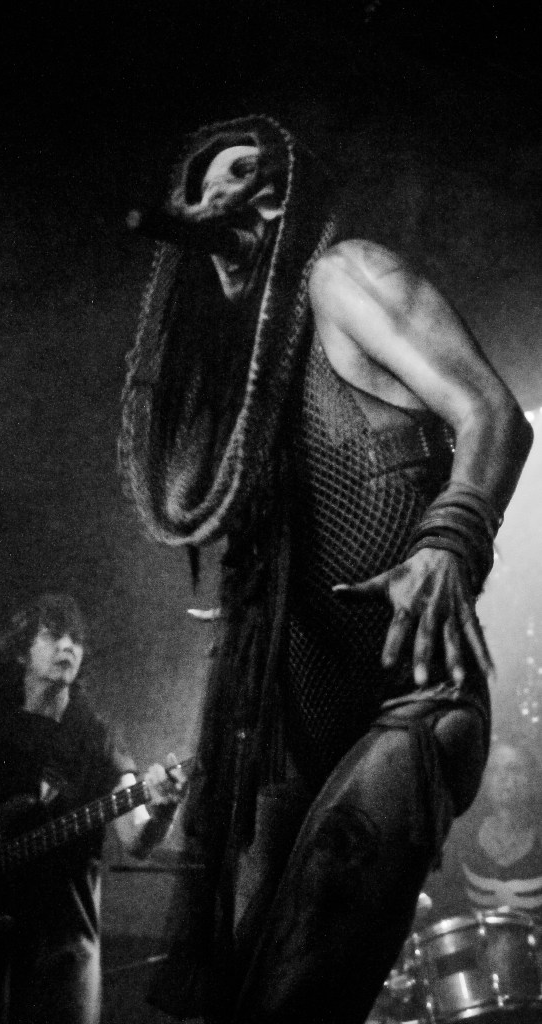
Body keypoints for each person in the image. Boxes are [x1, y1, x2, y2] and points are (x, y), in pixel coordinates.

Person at [118, 115, 534, 1024]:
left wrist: (447, 542)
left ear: (288, 199)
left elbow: (493, 414)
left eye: (253, 174)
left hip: (408, 701)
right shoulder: (249, 384)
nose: (233, 193)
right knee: (235, 993)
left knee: (296, 999)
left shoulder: (344, 277)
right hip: (291, 732)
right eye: (212, 183)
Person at [0, 592, 187, 1024]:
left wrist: (163, 810)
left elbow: (137, 840)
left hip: (63, 948)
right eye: (53, 634)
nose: (68, 645)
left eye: (76, 639)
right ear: (21, 650)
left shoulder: (96, 737)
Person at [427, 734, 542, 923]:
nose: (502, 778)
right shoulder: (464, 838)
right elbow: (446, 905)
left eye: (513, 769)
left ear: (532, 779)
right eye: (494, 770)